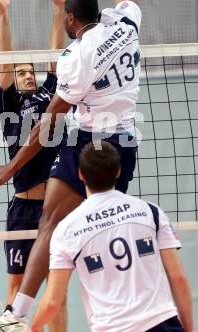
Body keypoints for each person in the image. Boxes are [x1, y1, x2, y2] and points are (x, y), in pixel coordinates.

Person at [0, 0, 142, 330]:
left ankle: (17, 316)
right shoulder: (125, 25)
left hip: (90, 143)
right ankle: (118, 314)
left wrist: (9, 169)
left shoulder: (76, 58)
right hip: (125, 142)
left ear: (70, 19)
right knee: (95, 229)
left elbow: (48, 123)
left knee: (52, 223)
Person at [0, 0, 75, 332]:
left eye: (31, 71)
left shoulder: (50, 96)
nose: (27, 75)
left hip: (55, 206)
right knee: (16, 288)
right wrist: (3, 15)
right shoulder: (10, 103)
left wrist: (59, 10)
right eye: (21, 72)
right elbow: (5, 62)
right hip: (23, 207)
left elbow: (57, 55)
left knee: (55, 291)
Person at [30, 141, 194, 332]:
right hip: (162, 323)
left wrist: (33, 328)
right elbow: (178, 278)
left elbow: (52, 302)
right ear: (118, 171)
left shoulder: (66, 229)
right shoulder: (150, 211)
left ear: (80, 175)